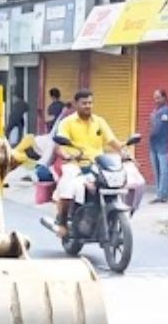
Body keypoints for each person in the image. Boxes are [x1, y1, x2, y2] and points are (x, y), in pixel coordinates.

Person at [53, 88, 126, 237]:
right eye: (84, 103)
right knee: (69, 188)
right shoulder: (67, 123)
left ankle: (102, 215)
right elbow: (59, 146)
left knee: (117, 184)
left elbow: (112, 141)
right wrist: (66, 155)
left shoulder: (99, 122)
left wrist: (124, 152)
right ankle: (62, 222)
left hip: (96, 164)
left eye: (90, 103)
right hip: (74, 164)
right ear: (75, 104)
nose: (88, 106)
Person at [147, 89, 168, 203]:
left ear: (164, 98)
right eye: (155, 98)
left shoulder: (166, 111)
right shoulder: (155, 111)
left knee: (164, 171)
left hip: (163, 145)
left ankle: (163, 195)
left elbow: (160, 128)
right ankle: (159, 193)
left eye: (158, 97)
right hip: (154, 145)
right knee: (156, 170)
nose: (156, 100)